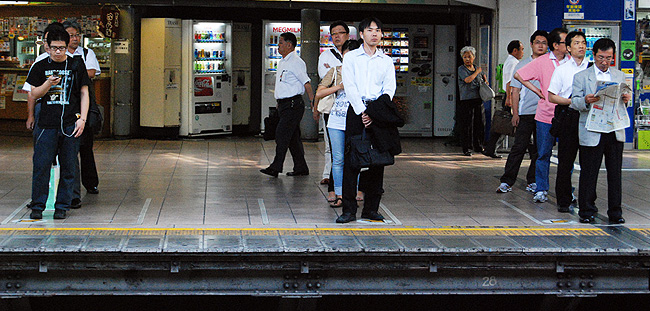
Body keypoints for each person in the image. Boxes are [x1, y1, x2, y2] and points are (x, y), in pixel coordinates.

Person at [336, 17, 398, 223]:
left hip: (378, 112)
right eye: (370, 30)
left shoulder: (386, 60)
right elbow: (350, 86)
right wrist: (363, 110)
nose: (375, 33)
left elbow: (389, 89)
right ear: (361, 34)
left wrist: (374, 112)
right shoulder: (352, 57)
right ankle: (348, 210)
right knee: (352, 161)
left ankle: (371, 209)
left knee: (377, 160)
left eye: (378, 30)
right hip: (356, 111)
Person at [26, 27, 91, 219]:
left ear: (66, 47)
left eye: (61, 48)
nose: (57, 52)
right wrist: (48, 84)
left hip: (70, 122)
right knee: (41, 165)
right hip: (46, 123)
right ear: (47, 47)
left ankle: (63, 205)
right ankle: (38, 205)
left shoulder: (76, 65)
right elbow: (33, 93)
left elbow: (84, 93)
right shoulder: (39, 66)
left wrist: (83, 120)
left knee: (69, 166)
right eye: (54, 48)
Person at [570, 38, 630, 224]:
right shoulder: (582, 76)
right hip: (592, 129)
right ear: (593, 55)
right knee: (589, 172)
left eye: (609, 58)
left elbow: (624, 100)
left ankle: (615, 212)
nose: (605, 62)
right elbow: (574, 102)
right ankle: (586, 211)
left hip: (614, 129)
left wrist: (626, 98)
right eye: (601, 57)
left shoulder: (619, 76)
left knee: (615, 173)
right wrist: (586, 100)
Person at [514, 27, 569, 203]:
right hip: (546, 114)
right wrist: (538, 91)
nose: (569, 46)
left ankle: (567, 191)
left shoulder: (571, 62)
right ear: (555, 45)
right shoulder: (543, 61)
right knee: (543, 153)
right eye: (565, 42)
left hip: (568, 114)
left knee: (567, 155)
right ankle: (541, 188)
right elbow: (519, 75)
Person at [496, 30, 548, 194]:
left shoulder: (551, 64)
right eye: (537, 42)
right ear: (532, 44)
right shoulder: (522, 64)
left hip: (545, 113)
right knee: (519, 147)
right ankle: (507, 181)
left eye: (544, 42)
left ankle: (533, 181)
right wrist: (515, 113)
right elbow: (515, 91)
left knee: (540, 150)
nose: (540, 45)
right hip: (526, 112)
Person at [260, 32, 314, 177]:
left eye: (281, 43)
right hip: (284, 105)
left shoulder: (296, 62)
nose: (278, 46)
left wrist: (313, 102)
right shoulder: (283, 62)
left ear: (289, 45)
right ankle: (301, 168)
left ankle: (276, 167)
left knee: (282, 135)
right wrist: (278, 102)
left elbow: (306, 83)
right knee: (293, 138)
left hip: (293, 105)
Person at [316, 39, 361, 208]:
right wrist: (339, 87)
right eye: (345, 55)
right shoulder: (335, 71)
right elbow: (319, 92)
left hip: (355, 119)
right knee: (338, 159)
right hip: (336, 119)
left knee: (355, 158)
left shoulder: (364, 73)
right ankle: (340, 194)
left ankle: (354, 192)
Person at [547, 31, 588, 213]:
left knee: (589, 161)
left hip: (588, 118)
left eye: (584, 43)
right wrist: (573, 101)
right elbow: (552, 96)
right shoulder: (562, 69)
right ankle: (563, 200)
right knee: (566, 161)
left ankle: (587, 200)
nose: (581, 46)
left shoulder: (592, 68)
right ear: (569, 48)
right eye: (576, 43)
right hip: (569, 116)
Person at [64, 20, 102, 211]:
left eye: (77, 35)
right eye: (71, 35)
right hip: (65, 108)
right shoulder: (56, 53)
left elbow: (92, 73)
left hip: (84, 106)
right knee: (67, 151)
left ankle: (91, 182)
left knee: (86, 148)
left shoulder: (87, 53)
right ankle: (69, 190)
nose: (75, 38)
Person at [315, 20, 350, 202]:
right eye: (334, 34)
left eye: (340, 33)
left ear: (347, 35)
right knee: (331, 144)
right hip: (332, 106)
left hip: (351, 109)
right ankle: (329, 177)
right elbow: (325, 79)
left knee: (350, 148)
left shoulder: (355, 53)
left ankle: (354, 186)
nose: (337, 36)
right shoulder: (325, 56)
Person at [483, 40, 524, 159]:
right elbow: (509, 81)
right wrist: (510, 98)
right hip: (511, 94)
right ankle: (492, 148)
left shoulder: (511, 61)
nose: (522, 52)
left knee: (502, 122)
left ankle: (491, 148)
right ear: (515, 50)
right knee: (503, 122)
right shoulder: (513, 63)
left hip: (510, 94)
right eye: (521, 49)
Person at [457, 46, 487, 156]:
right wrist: (477, 72)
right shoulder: (461, 69)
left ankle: (478, 145)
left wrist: (484, 80)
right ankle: (467, 147)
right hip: (466, 100)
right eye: (465, 57)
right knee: (467, 124)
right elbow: (468, 80)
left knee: (480, 123)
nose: (467, 59)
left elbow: (481, 81)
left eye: (469, 56)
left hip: (478, 99)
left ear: (474, 57)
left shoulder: (477, 68)